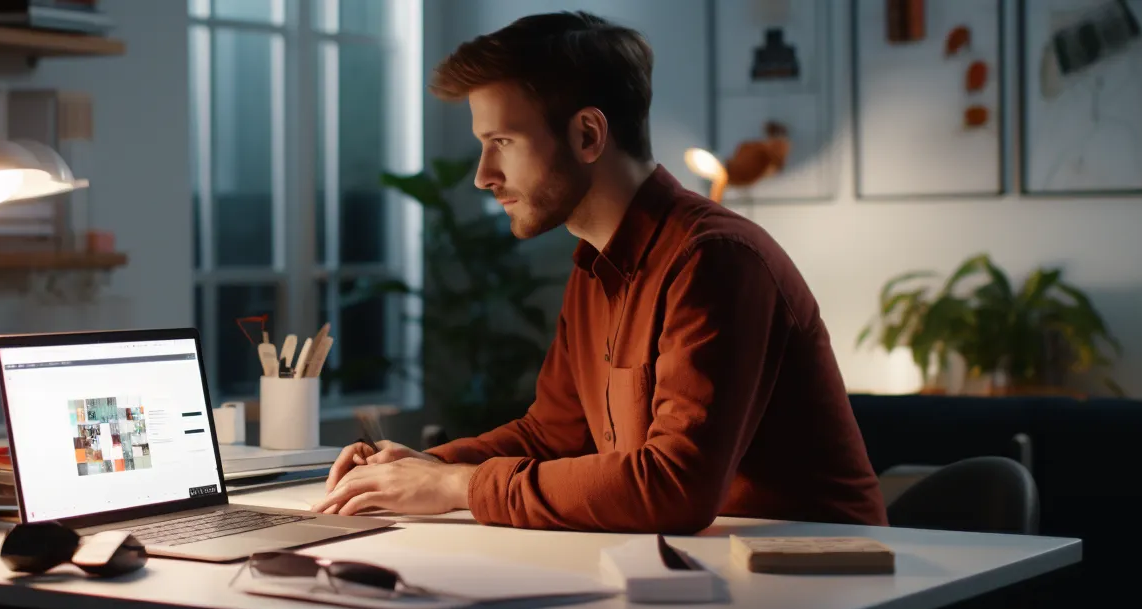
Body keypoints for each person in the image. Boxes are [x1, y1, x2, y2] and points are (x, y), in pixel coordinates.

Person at [313, 11, 886, 533]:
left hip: (822, 608)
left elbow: (674, 488)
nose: (484, 175)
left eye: (502, 142)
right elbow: (551, 437)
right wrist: (421, 465)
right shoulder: (595, 267)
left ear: (588, 135)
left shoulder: (716, 260)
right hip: (698, 585)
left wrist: (454, 486)